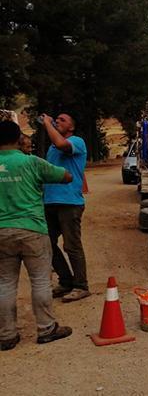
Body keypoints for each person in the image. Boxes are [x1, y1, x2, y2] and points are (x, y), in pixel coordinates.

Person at [0, 120, 73, 351]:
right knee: (40, 280)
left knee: (5, 283)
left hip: (2, 232)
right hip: (32, 229)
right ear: (17, 138)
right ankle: (46, 329)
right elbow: (66, 176)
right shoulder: (31, 162)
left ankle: (7, 335)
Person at [41, 113, 91, 302]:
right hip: (50, 202)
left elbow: (62, 145)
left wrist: (47, 124)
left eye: (62, 120)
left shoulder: (77, 141)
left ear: (71, 127)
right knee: (47, 244)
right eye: (56, 119)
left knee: (72, 245)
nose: (57, 121)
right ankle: (66, 281)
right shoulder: (52, 148)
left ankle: (81, 285)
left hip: (70, 202)